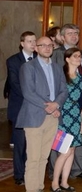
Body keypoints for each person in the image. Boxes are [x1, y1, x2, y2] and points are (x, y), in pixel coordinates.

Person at [17, 36, 68, 192]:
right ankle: (32, 189)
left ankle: (39, 187)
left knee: (44, 157)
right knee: (33, 158)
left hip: (52, 118)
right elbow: (28, 93)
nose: (47, 48)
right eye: (42, 45)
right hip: (34, 117)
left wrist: (56, 104)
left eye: (49, 45)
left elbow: (63, 90)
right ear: (36, 48)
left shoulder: (57, 67)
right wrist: (48, 106)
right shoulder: (28, 67)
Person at [51, 24, 82, 181]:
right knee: (61, 146)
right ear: (62, 37)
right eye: (70, 33)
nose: (74, 36)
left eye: (76, 33)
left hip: (80, 105)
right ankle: (55, 174)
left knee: (77, 143)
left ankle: (75, 170)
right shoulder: (56, 54)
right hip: (63, 109)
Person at [51, 48, 82, 192]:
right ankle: (54, 183)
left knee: (71, 150)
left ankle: (64, 182)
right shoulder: (61, 75)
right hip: (63, 115)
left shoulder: (80, 77)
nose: (79, 58)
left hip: (76, 115)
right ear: (67, 59)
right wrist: (55, 110)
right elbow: (54, 94)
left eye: (80, 56)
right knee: (64, 151)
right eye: (75, 56)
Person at [6, 31, 37, 186]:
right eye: (29, 41)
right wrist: (34, 97)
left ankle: (31, 173)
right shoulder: (12, 61)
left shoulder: (41, 60)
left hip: (37, 109)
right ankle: (19, 175)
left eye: (34, 41)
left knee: (33, 144)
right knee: (20, 143)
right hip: (19, 108)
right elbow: (15, 84)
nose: (32, 44)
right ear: (22, 43)